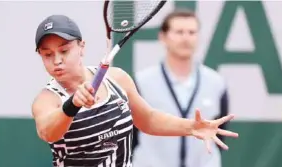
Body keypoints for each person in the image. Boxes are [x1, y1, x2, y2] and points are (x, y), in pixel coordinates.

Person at [31, 14, 238, 167]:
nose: (57, 60)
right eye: (47, 54)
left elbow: (147, 119)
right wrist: (73, 103)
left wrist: (190, 127)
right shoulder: (48, 99)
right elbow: (48, 131)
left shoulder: (117, 78)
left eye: (64, 51)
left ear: (81, 46)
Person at [132, 9, 230, 167]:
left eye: (192, 32)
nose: (186, 38)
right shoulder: (142, 82)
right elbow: (132, 134)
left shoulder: (216, 82)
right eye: (179, 32)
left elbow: (220, 130)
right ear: (163, 37)